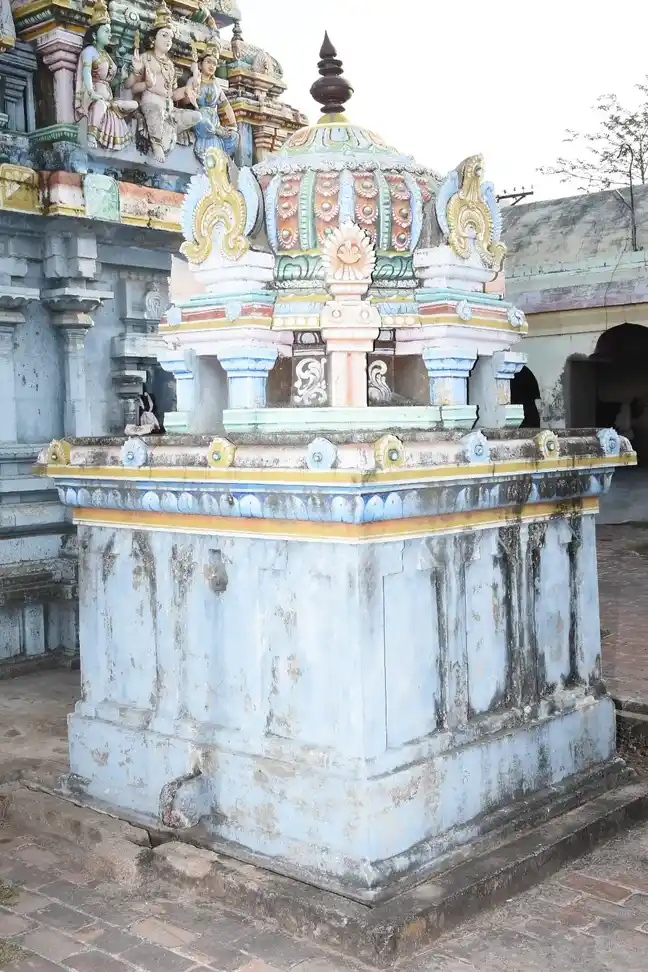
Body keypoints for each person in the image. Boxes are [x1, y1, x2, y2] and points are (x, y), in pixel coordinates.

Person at [124, 0, 200, 162]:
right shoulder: (145, 58)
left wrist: (187, 89)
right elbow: (130, 87)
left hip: (168, 108)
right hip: (151, 103)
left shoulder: (170, 65)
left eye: (171, 37)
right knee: (155, 111)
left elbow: (172, 94)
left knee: (196, 117)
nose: (168, 40)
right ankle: (156, 142)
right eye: (164, 35)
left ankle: (167, 130)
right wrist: (145, 82)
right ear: (153, 39)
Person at [74, 0, 137, 151]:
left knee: (134, 105)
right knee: (101, 104)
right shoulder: (89, 52)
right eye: (105, 31)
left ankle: (112, 107)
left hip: (108, 98)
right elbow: (86, 73)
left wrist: (121, 78)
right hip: (93, 96)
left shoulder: (106, 55)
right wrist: (91, 93)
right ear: (94, 35)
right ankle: (92, 133)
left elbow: (109, 82)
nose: (109, 34)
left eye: (110, 31)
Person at [183, 41, 239, 164]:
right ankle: (214, 135)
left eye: (214, 63)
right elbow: (185, 100)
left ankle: (220, 147)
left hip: (214, 120)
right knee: (204, 123)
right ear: (200, 64)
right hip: (199, 116)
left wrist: (233, 125)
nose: (211, 66)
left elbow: (226, 106)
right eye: (208, 62)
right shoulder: (194, 80)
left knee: (234, 136)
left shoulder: (216, 85)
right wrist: (193, 89)